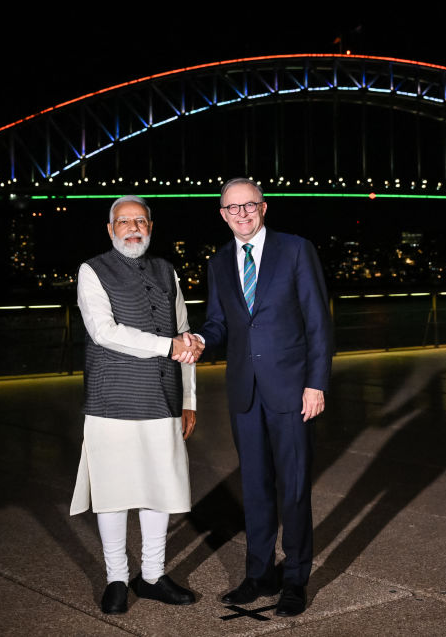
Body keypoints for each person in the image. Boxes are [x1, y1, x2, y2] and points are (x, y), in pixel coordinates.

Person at [195, 177, 333, 617]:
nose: (242, 214)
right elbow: (218, 324)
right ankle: (259, 574)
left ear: (263, 207)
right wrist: (199, 338)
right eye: (232, 208)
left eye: (249, 205)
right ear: (222, 215)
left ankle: (294, 578)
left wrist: (317, 383)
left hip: (293, 391)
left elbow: (317, 321)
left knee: (292, 489)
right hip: (245, 393)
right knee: (254, 489)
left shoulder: (295, 249)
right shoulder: (218, 263)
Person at [69, 194, 204, 614]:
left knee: (157, 488)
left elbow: (183, 332)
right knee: (112, 492)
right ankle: (115, 578)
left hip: (163, 399)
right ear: (110, 230)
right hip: (111, 399)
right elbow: (104, 332)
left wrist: (188, 399)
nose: (133, 227)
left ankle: (151, 576)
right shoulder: (91, 270)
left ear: (150, 227)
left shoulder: (167, 271)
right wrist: (168, 346)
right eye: (123, 221)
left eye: (140, 221)